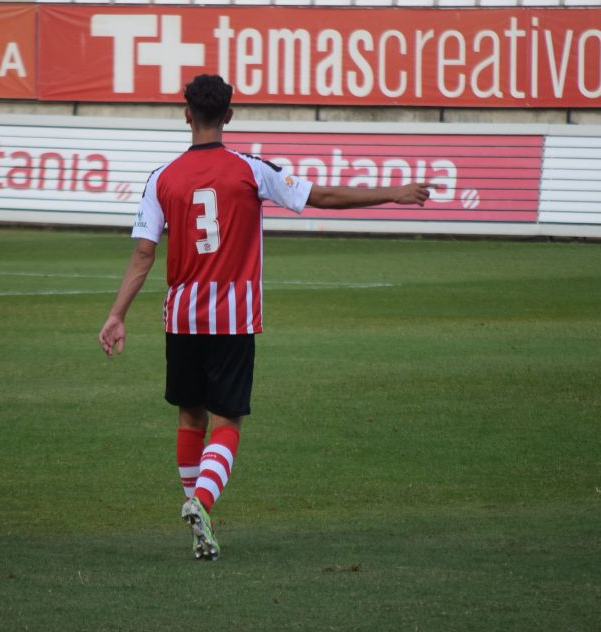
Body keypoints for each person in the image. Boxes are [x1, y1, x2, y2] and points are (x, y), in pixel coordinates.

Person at [98, 74, 431, 562]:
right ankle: (202, 503)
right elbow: (322, 197)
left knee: (190, 414)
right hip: (232, 319)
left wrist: (116, 315)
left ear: (186, 114)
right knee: (227, 418)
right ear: (229, 115)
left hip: (182, 320)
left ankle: (194, 511)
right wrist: (394, 193)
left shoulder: (161, 178)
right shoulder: (252, 170)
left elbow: (144, 255)